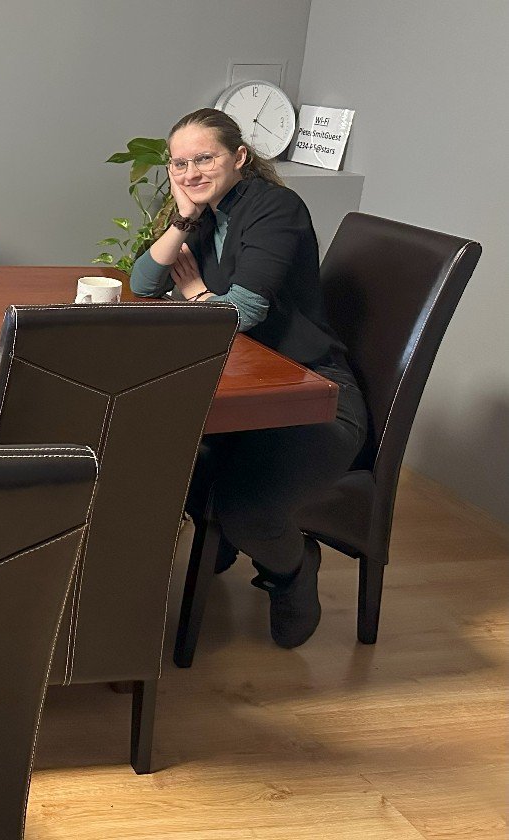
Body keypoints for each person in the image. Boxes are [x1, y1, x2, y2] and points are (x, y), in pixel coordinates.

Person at [129, 108, 369, 649]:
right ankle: (222, 543)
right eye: (179, 163)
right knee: (164, 464)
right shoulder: (206, 215)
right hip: (247, 388)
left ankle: (292, 571)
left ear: (239, 157)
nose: (190, 172)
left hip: (314, 395)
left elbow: (244, 310)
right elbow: (143, 283)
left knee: (247, 510)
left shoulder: (275, 208)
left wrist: (197, 295)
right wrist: (182, 219)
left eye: (204, 158)